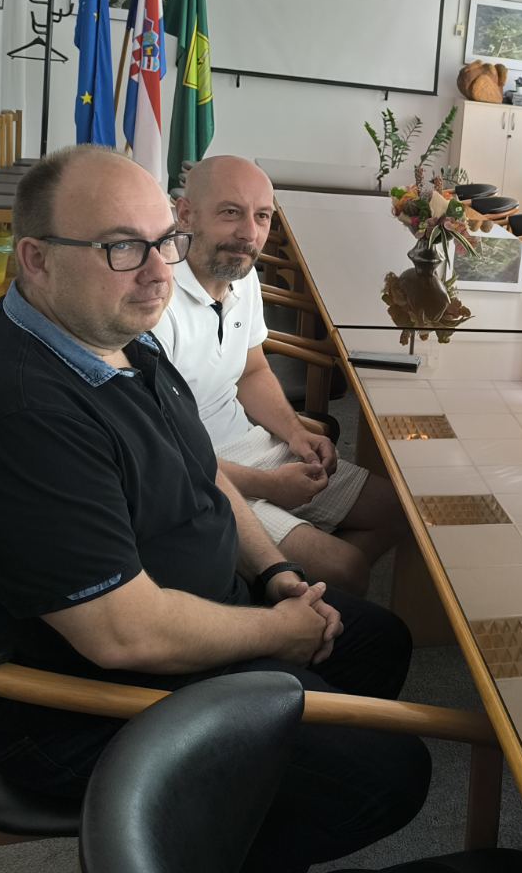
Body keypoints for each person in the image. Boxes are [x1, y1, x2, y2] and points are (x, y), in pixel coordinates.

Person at [0, 146, 429, 873]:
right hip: (83, 705)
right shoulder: (20, 416)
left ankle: (258, 803)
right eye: (121, 247)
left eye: (164, 242)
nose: (159, 273)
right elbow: (125, 634)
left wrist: (274, 574)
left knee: (379, 642)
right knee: (391, 776)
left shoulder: (114, 337)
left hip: (189, 615)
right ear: (36, 260)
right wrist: (275, 631)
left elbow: (204, 474)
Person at [153, 155, 406, 596]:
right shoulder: (156, 301)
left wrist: (295, 432)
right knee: (345, 569)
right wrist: (269, 487)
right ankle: (281, 587)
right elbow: (163, 457)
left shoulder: (241, 274)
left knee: (397, 510)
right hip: (196, 476)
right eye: (230, 212)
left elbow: (251, 371)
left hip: (248, 443)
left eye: (262, 216)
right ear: (186, 214)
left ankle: (284, 589)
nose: (249, 233)